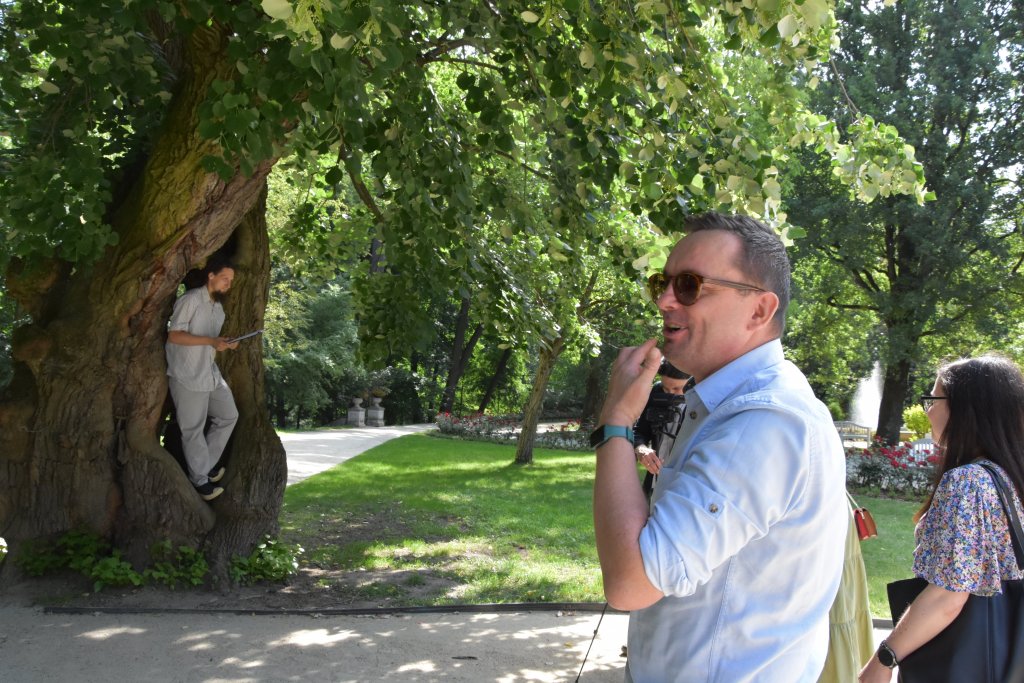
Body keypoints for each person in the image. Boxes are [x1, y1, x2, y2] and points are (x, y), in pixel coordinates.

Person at [591, 212, 847, 682]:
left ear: (759, 310)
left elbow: (631, 582)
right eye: (662, 283)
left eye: (689, 285)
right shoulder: (722, 404)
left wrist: (616, 423)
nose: (665, 300)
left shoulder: (764, 420)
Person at [858, 355, 1024, 682]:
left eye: (933, 400)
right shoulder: (1010, 475)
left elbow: (947, 596)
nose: (928, 410)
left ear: (967, 409)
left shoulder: (968, 482)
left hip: (963, 660)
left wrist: (883, 661)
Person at [165, 258, 240, 502]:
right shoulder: (190, 300)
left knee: (229, 415)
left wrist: (224, 343)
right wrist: (211, 341)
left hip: (209, 373)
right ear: (211, 276)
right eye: (225, 279)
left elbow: (211, 342)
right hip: (187, 374)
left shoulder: (218, 309)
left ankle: (204, 466)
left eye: (231, 281)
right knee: (193, 430)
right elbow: (174, 336)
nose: (228, 284)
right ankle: (200, 481)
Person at [633, 360, 688, 499]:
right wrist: (641, 449)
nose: (670, 393)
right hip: (654, 482)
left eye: (677, 388)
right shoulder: (656, 391)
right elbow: (640, 431)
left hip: (685, 486)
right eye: (666, 388)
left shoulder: (704, 403)